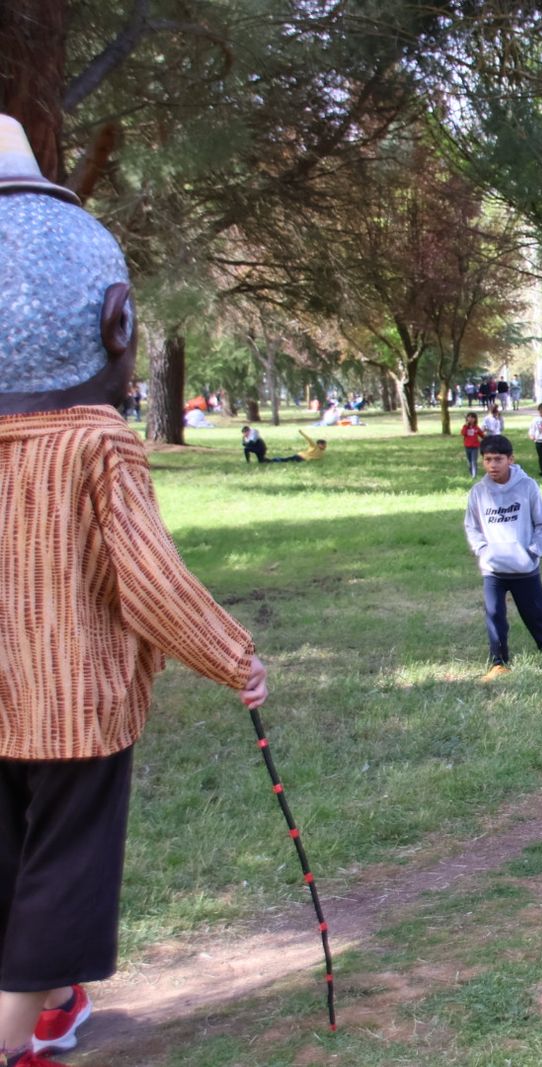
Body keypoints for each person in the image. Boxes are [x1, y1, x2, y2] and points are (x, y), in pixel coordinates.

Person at [0, 117, 268, 1067]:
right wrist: (232, 655)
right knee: (59, 870)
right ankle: (14, 1038)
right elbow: (148, 580)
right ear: (112, 324)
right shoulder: (95, 442)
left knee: (8, 861)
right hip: (73, 699)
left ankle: (51, 1006)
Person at [465, 434, 542, 681]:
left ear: (510, 459)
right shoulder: (478, 492)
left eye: (498, 459)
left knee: (537, 613)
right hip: (494, 569)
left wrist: (533, 551)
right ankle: (499, 663)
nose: (492, 465)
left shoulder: (527, 486)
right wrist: (483, 550)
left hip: (524, 567)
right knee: (495, 615)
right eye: (488, 460)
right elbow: (472, 526)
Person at [461, 412, 483, 477]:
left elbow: (482, 434)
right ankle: (471, 473)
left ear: (475, 419)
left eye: (472, 417)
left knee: (474, 461)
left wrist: (487, 439)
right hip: (467, 447)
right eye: (469, 417)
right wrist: (466, 426)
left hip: (475, 447)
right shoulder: (465, 427)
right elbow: (463, 433)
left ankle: (474, 475)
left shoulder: (476, 427)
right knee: (469, 461)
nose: (470, 419)